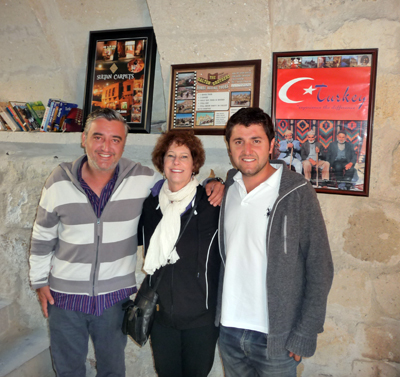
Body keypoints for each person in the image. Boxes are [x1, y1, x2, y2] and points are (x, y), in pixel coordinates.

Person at [29, 109, 223, 377]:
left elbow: (179, 183)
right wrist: (39, 281)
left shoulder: (142, 179)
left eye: (116, 139)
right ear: (84, 138)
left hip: (113, 298)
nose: (106, 147)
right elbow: (42, 235)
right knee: (68, 370)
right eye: (98, 137)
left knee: (112, 370)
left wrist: (215, 181)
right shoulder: (58, 180)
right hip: (64, 297)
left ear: (124, 144)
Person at [216, 107, 334, 377]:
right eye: (238, 141)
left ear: (272, 145)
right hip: (230, 331)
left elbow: (320, 267)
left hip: (277, 338)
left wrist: (306, 331)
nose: (247, 150)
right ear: (230, 148)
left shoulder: (297, 192)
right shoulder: (229, 188)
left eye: (256, 140)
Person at [138, 130, 221, 377]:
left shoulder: (211, 204)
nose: (176, 162)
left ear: (194, 164)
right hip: (162, 319)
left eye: (184, 156)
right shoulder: (151, 206)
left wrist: (220, 183)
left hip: (201, 320)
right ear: (161, 162)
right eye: (170, 156)